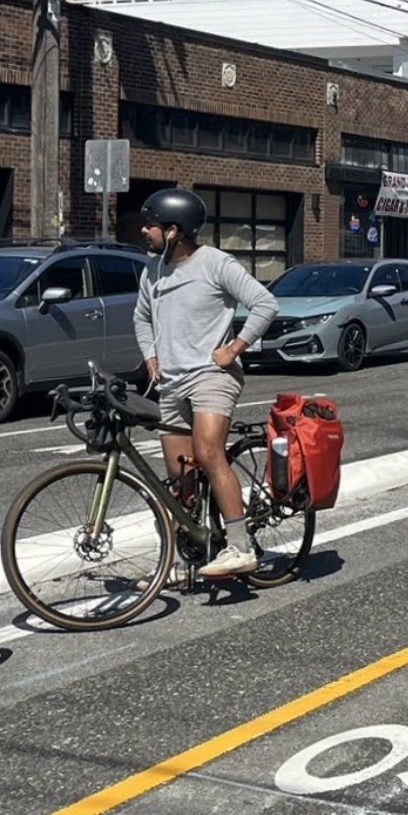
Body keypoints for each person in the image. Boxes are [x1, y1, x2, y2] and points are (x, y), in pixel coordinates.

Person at [133, 187, 279, 580]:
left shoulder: (216, 263)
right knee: (180, 478)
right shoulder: (153, 270)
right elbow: (141, 318)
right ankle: (184, 561)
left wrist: (234, 349)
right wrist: (151, 356)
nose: (144, 230)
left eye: (152, 224)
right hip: (172, 382)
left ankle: (239, 547)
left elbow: (265, 303)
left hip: (212, 377)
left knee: (207, 450)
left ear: (175, 230)